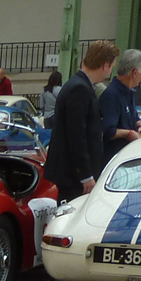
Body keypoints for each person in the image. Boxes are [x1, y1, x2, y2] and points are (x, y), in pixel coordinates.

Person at [44, 40, 116, 201]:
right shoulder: (80, 89)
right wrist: (86, 175)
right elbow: (76, 135)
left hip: (73, 172)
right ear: (105, 65)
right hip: (73, 175)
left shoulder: (80, 85)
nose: (111, 71)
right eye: (112, 66)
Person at [99, 48, 141, 165]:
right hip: (113, 160)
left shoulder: (129, 92)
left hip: (126, 157)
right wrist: (129, 134)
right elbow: (107, 131)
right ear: (134, 72)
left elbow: (134, 117)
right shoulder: (112, 94)